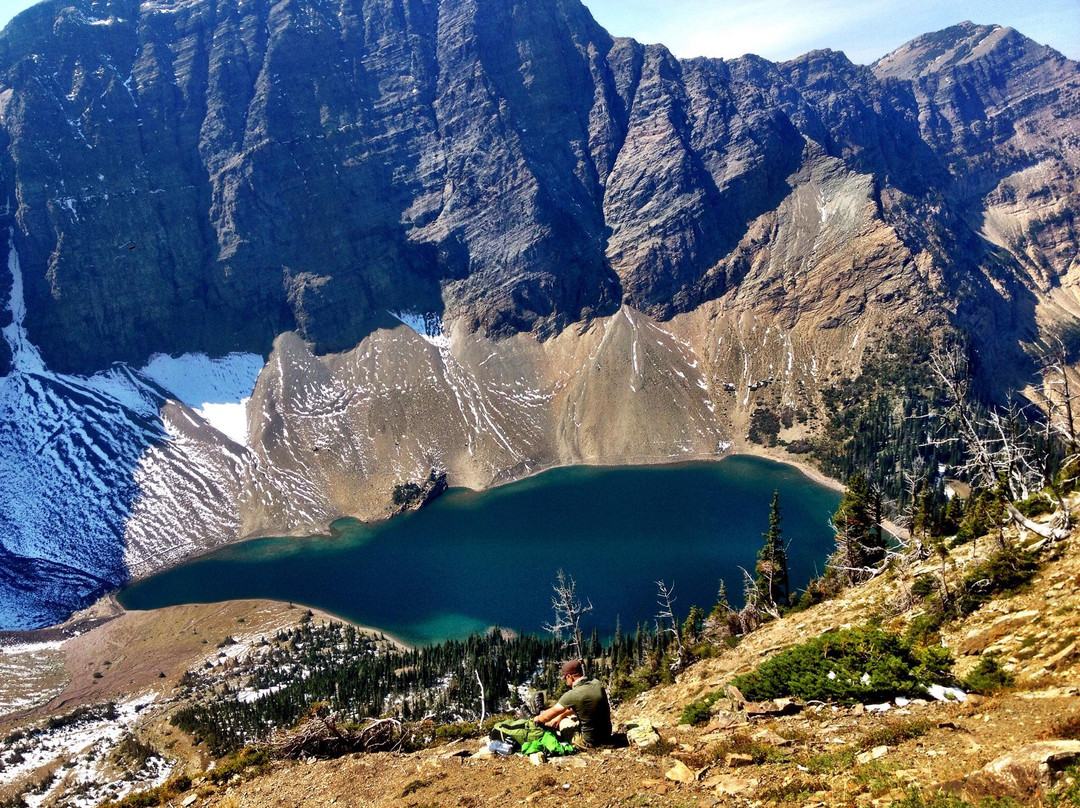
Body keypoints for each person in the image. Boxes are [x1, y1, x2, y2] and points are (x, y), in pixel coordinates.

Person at [536, 659, 612, 748]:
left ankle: (540, 713)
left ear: (569, 676)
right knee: (568, 716)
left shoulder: (572, 695)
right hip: (606, 735)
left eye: (565, 678)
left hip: (589, 741)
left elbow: (547, 716)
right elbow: (585, 707)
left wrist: (537, 719)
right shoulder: (597, 683)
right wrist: (561, 715)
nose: (565, 681)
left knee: (564, 722)